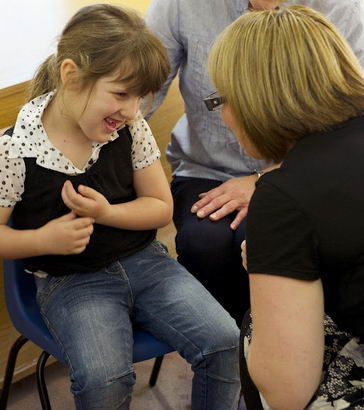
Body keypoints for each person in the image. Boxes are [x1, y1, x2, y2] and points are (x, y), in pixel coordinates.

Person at [0, 5, 241, 409]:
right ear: (71, 75)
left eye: (140, 98)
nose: (132, 111)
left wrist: (107, 213)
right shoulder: (13, 149)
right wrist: (44, 239)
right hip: (71, 282)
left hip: (146, 262)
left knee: (226, 342)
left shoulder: (130, 127)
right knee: (104, 380)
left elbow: (160, 209)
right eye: (121, 94)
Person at [145, 0, 364, 326]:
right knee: (205, 242)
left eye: (224, 99)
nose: (221, 113)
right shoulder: (178, 6)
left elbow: (286, 379)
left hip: (291, 173)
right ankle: (223, 348)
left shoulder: (344, 10)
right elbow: (141, 87)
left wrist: (263, 179)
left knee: (261, 244)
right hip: (211, 171)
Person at [208, 4, 364, 409]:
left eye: (222, 98)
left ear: (255, 98)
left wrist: (270, 267)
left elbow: (286, 391)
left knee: (253, 328)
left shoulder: (282, 197)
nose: (223, 115)